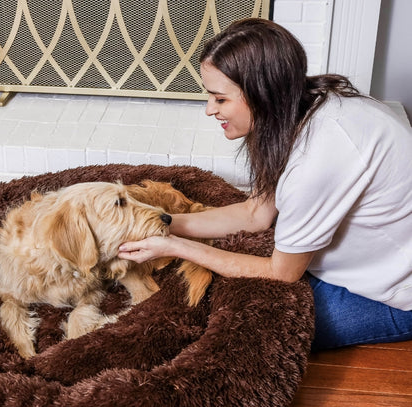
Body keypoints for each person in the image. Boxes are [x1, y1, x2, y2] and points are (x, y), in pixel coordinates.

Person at [118, 18, 412, 351]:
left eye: (220, 99)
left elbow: (283, 272)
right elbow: (256, 213)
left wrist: (175, 247)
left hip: (395, 294)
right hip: (364, 259)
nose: (209, 110)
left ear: (262, 94)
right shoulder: (305, 107)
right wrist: (162, 225)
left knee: (242, 334)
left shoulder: (315, 162)